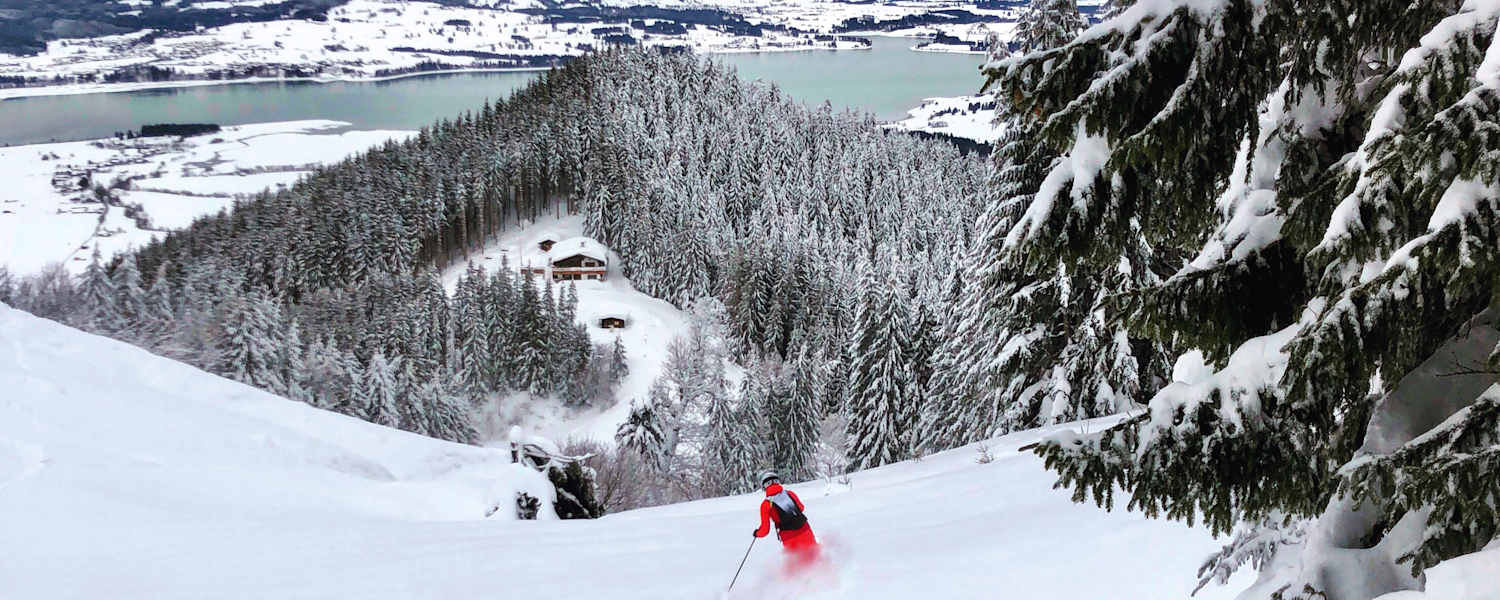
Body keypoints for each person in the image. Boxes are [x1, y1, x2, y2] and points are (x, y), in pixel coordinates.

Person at [752, 471, 819, 573]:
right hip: (805, 530)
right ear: (777, 481)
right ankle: (825, 579)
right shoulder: (789, 494)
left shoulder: (766, 504)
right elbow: (801, 508)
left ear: (764, 486)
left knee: (796, 565)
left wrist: (757, 533)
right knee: (815, 557)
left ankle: (801, 585)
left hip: (789, 537)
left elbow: (765, 531)